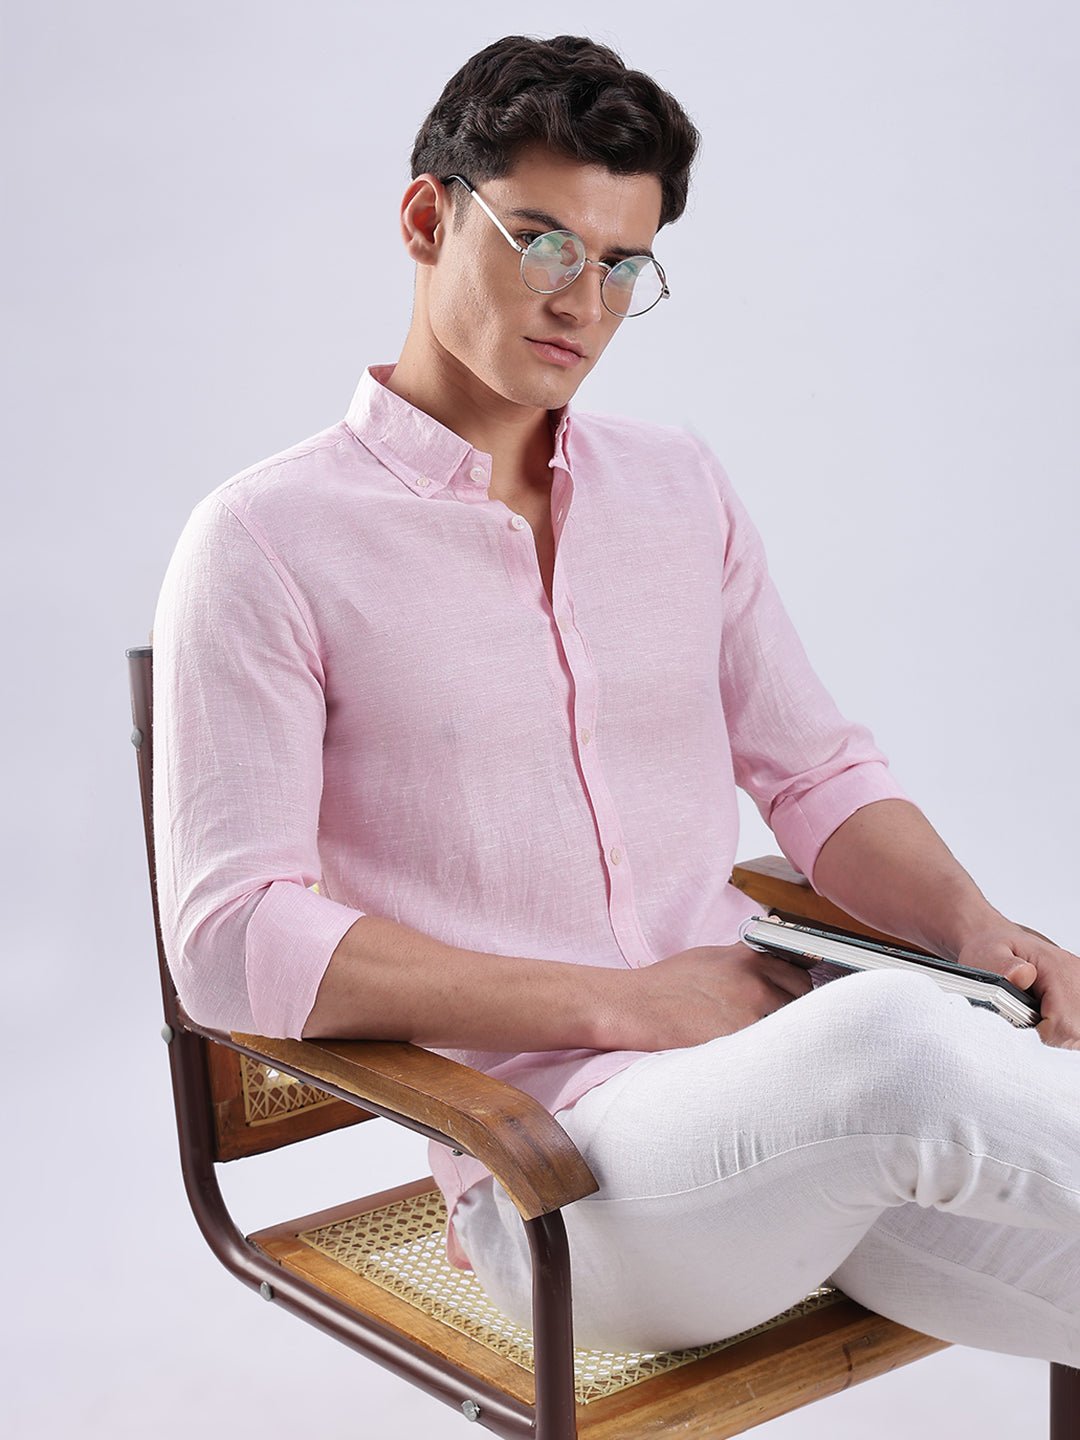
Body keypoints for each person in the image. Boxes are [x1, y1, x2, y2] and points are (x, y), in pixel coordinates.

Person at [153, 33, 1080, 1361]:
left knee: (949, 1052)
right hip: (561, 1184)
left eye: (622, 264)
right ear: (426, 219)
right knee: (897, 1041)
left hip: (799, 1126)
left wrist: (988, 938)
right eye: (543, 242)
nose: (581, 302)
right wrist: (620, 1003)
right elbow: (229, 939)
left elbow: (818, 774)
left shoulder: (677, 488)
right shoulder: (265, 542)